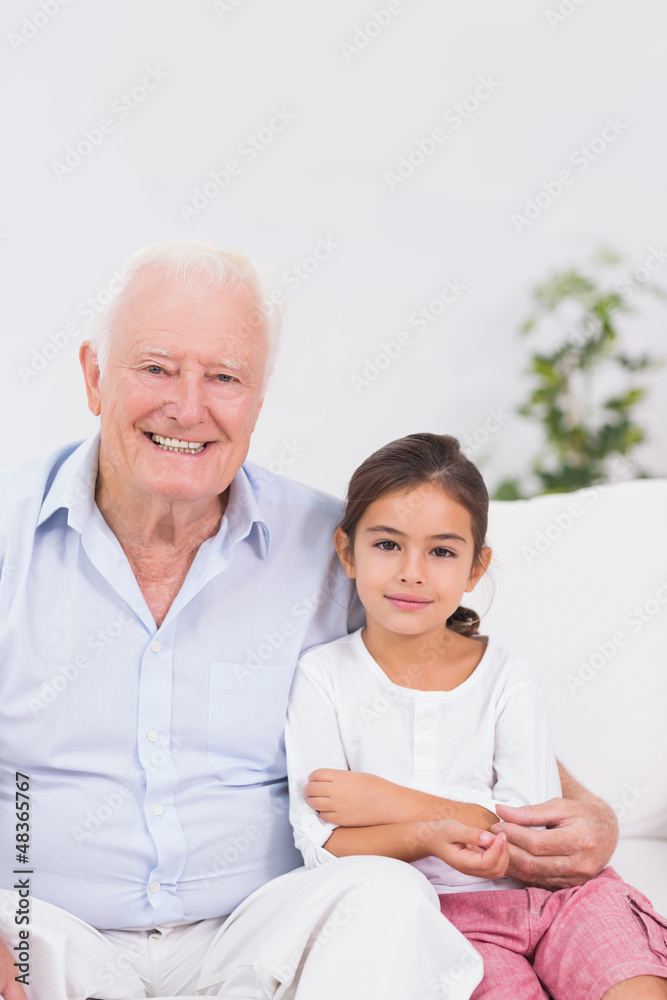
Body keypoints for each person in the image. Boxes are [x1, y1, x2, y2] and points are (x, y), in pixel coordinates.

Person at [0, 240, 618, 999]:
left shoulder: (337, 551)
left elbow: (439, 677)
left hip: (256, 932)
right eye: (156, 368)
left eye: (223, 377)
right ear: (95, 375)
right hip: (42, 929)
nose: (187, 407)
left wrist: (581, 808)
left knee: (385, 901)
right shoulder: (8, 537)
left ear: (257, 399)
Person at [285, 432, 667, 999]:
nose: (413, 572)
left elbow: (530, 838)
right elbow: (323, 845)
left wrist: (392, 803)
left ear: (475, 566)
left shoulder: (507, 677)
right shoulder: (323, 677)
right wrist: (429, 833)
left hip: (564, 900)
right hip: (444, 921)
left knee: (627, 974)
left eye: (441, 551)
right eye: (388, 545)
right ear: (347, 551)